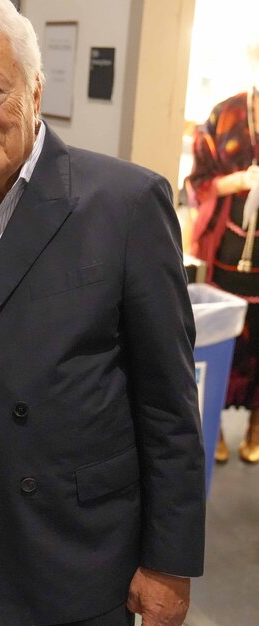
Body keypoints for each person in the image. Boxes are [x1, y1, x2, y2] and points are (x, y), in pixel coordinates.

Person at [0, 1, 206, 625]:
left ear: (35, 90)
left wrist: (169, 562)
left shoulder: (125, 205)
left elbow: (169, 404)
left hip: (82, 559)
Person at [188, 42, 259, 464]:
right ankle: (210, 422)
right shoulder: (227, 113)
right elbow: (198, 180)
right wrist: (234, 184)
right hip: (227, 251)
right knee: (221, 341)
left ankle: (256, 425)